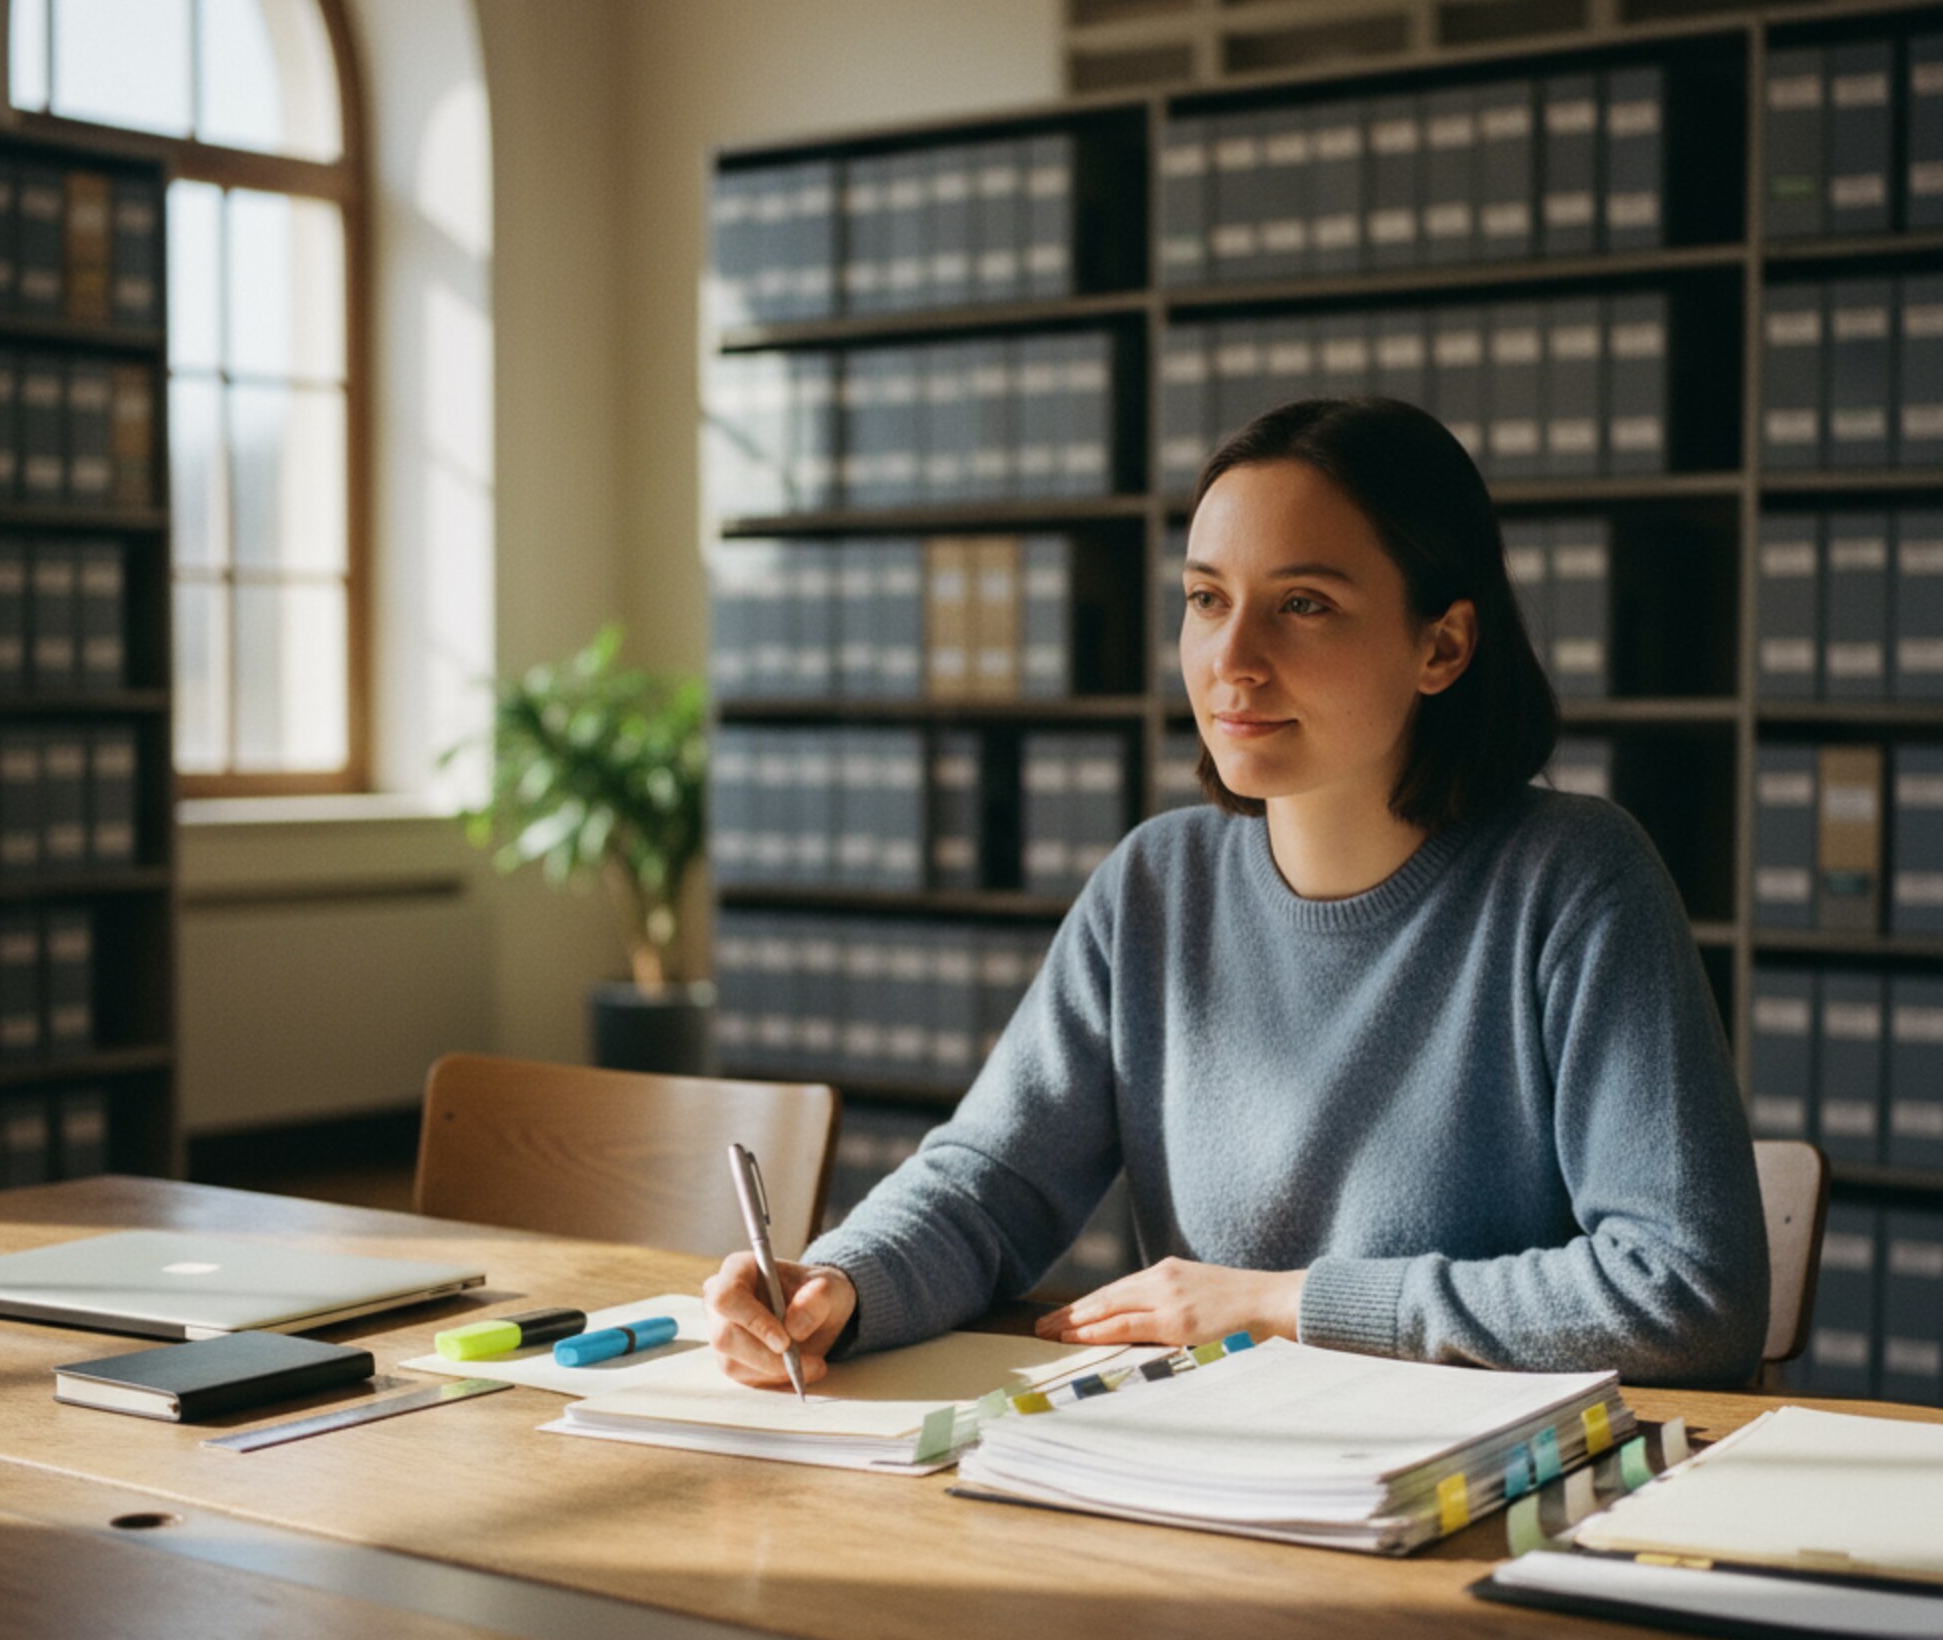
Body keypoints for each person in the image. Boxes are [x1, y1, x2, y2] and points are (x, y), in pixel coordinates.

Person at [703, 397, 1770, 1390]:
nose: (1230, 659)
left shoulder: (1576, 879)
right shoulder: (1152, 884)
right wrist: (837, 1283)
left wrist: (1280, 1304)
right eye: (1207, 598)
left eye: (1301, 604)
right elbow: (989, 1186)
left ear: (1440, 644)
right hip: (1214, 1478)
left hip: (1471, 1502)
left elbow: (1683, 1291)